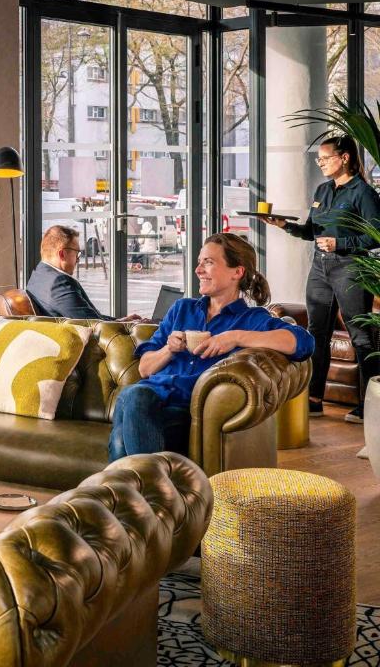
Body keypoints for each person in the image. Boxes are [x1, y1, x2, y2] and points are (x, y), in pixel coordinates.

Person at [108, 233, 314, 461]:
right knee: (133, 400)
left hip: (187, 411)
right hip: (149, 401)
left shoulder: (251, 319)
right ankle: (154, 491)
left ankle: (135, 492)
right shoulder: (181, 309)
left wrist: (235, 337)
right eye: (199, 262)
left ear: (237, 272)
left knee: (125, 421)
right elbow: (145, 369)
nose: (198, 270)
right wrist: (169, 349)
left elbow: (304, 342)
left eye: (208, 262)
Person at [261, 135, 380, 423]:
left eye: (325, 158)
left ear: (345, 158)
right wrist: (285, 226)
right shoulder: (323, 190)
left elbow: (377, 235)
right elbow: (311, 232)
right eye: (319, 160)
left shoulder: (362, 193)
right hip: (320, 270)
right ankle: (314, 399)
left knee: (361, 336)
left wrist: (340, 244)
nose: (321, 163)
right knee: (316, 333)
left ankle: (370, 406)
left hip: (351, 268)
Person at [26, 225, 140, 321]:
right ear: (62, 254)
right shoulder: (58, 284)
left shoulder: (38, 275)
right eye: (77, 253)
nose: (78, 259)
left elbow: (86, 316)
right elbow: (93, 324)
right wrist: (127, 325)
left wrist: (119, 321)